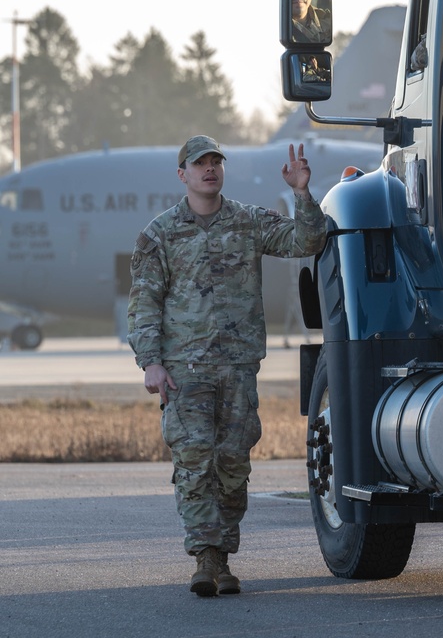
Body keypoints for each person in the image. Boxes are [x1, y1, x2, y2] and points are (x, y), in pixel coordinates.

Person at [127, 135, 327, 597]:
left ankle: (224, 553)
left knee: (234, 464)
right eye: (200, 163)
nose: (209, 169)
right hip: (185, 369)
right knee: (195, 461)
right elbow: (145, 302)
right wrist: (151, 362)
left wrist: (301, 193)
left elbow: (308, 240)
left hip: (237, 367)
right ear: (183, 175)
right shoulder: (160, 234)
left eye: (216, 161)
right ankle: (205, 557)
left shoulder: (248, 221)